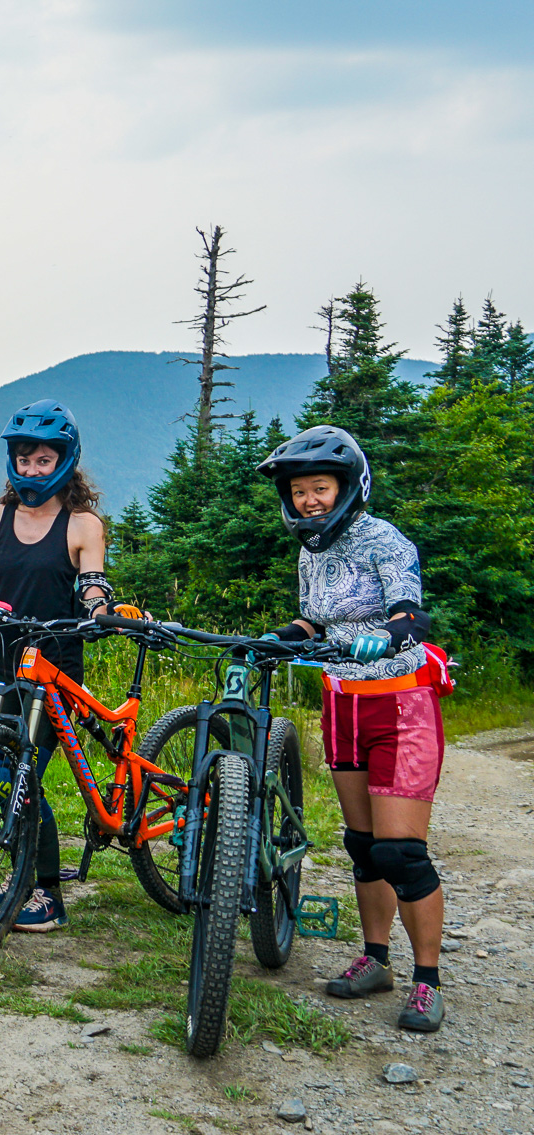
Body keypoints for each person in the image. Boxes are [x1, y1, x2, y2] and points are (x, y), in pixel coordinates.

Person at [257, 425, 448, 1033]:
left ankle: (427, 982)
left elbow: (411, 612)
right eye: (299, 491)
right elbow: (313, 620)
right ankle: (376, 960)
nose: (309, 499)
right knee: (363, 847)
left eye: (320, 487)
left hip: (400, 703)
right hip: (342, 703)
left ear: (348, 486)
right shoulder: (309, 551)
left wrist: (389, 634)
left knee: (401, 852)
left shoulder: (383, 539)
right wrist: (281, 639)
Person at [0, 399, 136, 933]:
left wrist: (103, 612)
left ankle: (47, 896)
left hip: (54, 668)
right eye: (23, 459)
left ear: (65, 459)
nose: (32, 469)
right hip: (2, 660)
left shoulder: (82, 524)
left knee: (25, 776)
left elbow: (92, 585)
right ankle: (24, 876)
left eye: (43, 459)